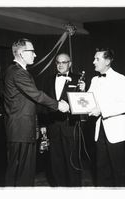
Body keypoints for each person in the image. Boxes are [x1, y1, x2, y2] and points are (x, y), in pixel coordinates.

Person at [3, 38, 69, 186]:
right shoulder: (17, 72)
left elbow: (30, 101)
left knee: (19, 171)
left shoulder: (16, 71)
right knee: (22, 172)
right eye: (32, 51)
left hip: (21, 130)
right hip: (21, 130)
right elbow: (37, 95)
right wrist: (58, 105)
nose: (35, 55)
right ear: (21, 53)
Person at [87, 48, 125, 187]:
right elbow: (89, 100)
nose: (93, 62)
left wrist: (101, 110)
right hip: (100, 129)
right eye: (94, 58)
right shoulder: (94, 79)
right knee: (101, 168)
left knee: (120, 169)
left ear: (107, 61)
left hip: (116, 130)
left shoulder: (120, 78)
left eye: (97, 59)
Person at [41, 53, 85, 186]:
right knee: (55, 160)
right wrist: (43, 124)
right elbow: (43, 104)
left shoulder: (78, 79)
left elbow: (82, 103)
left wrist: (83, 91)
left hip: (70, 126)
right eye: (58, 62)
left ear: (70, 64)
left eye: (64, 62)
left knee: (72, 160)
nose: (60, 65)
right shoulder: (48, 80)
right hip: (53, 126)